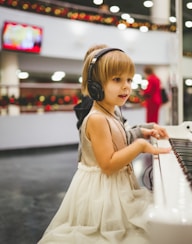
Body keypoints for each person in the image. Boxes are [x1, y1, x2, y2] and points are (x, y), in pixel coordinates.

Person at [38, 47, 171, 244]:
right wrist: (140, 146)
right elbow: (108, 165)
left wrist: (144, 130)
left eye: (129, 80)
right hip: (102, 194)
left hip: (116, 188)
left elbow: (121, 136)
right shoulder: (97, 119)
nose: (126, 87)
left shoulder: (111, 111)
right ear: (95, 86)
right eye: (117, 80)